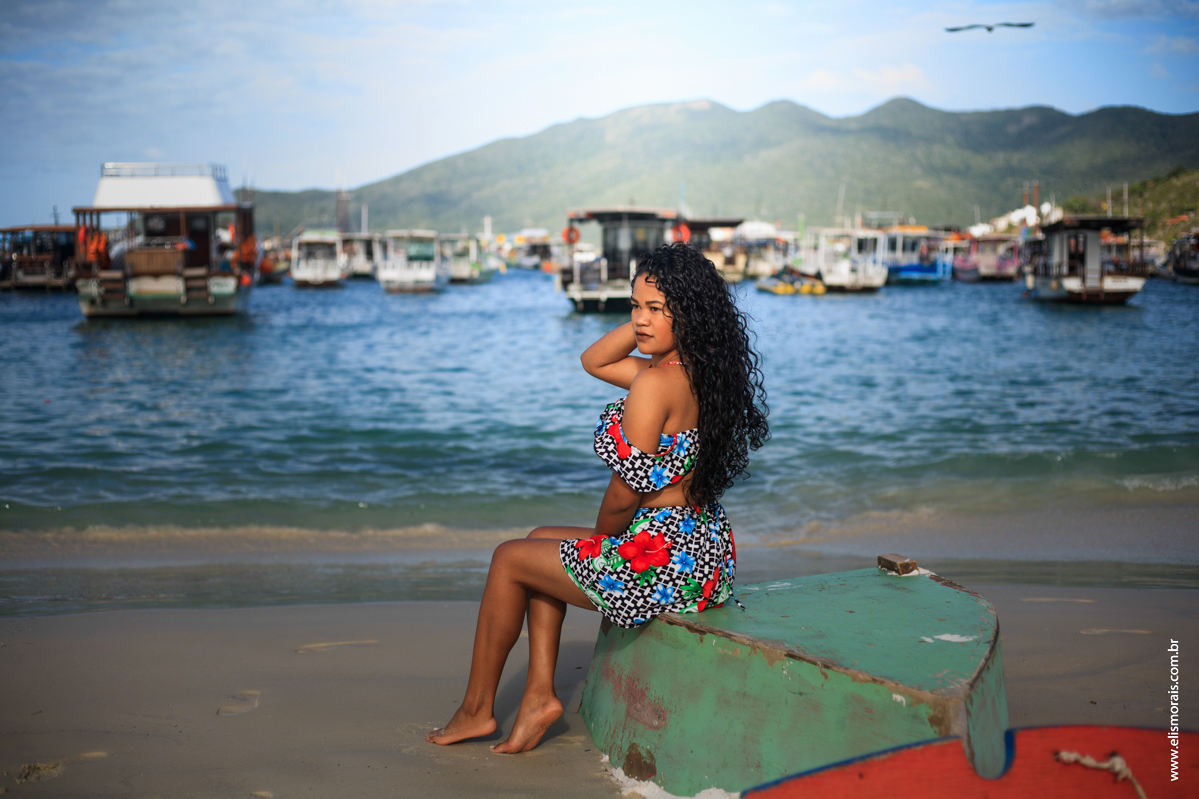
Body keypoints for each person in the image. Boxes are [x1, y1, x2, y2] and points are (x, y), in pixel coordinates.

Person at [427, 242, 768, 754]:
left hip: (659, 561)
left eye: (657, 309)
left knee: (507, 559)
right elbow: (594, 360)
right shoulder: (701, 374)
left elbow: (623, 492)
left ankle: (477, 710)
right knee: (540, 540)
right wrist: (651, 323)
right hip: (701, 550)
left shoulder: (654, 386)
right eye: (634, 306)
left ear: (690, 315)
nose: (642, 320)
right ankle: (540, 694)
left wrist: (603, 543)